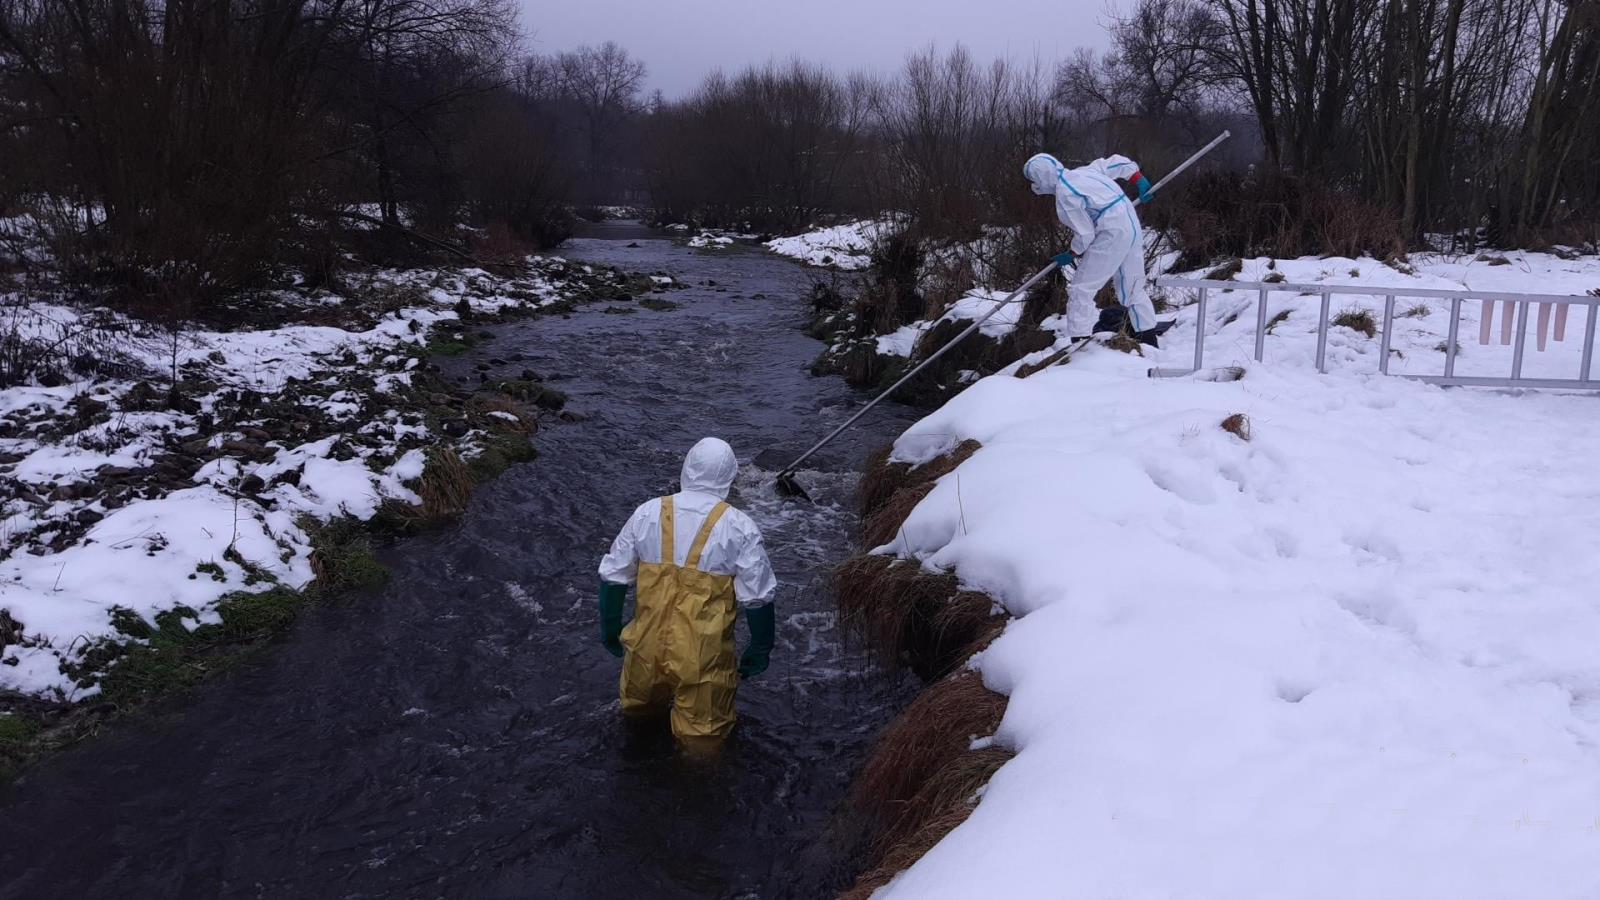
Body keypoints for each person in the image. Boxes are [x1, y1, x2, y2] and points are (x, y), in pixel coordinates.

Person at [596, 437, 777, 749]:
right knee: (702, 744)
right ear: (729, 477)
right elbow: (757, 597)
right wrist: (759, 649)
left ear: (687, 468)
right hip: (702, 659)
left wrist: (611, 628)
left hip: (644, 649)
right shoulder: (738, 526)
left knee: (637, 722)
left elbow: (613, 576)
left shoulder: (647, 512)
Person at [1023, 152, 1163, 345]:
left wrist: (1072, 252)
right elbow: (1118, 163)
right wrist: (1139, 180)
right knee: (1132, 288)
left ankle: (1080, 343)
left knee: (1081, 289)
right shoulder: (1087, 171)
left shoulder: (1065, 194)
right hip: (1131, 225)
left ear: (1041, 179)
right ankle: (1148, 340)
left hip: (1111, 232)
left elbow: (1085, 234)